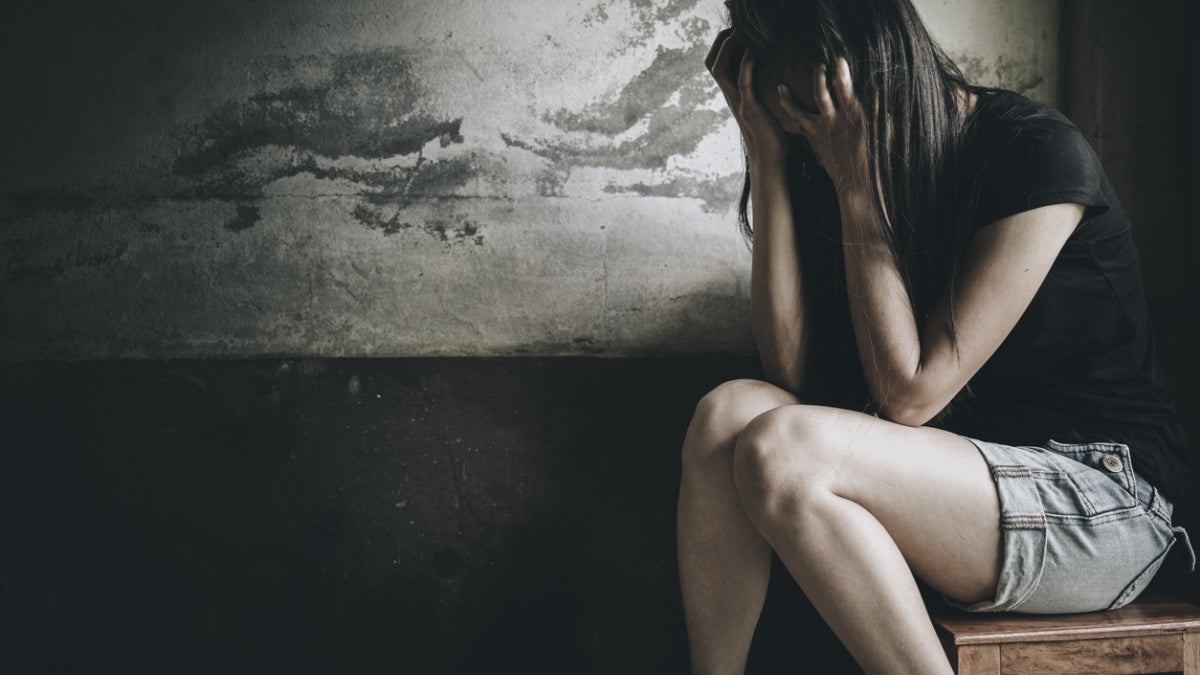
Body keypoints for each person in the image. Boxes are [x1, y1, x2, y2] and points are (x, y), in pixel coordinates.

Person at [676, 0, 1198, 673]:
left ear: (872, 82)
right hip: (965, 487)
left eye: (812, 120)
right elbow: (793, 375)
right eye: (793, 124)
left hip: (1105, 499)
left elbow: (910, 397)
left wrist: (859, 183)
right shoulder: (824, 156)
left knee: (785, 447)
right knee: (728, 416)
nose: (809, 136)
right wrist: (769, 157)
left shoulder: (1036, 153)